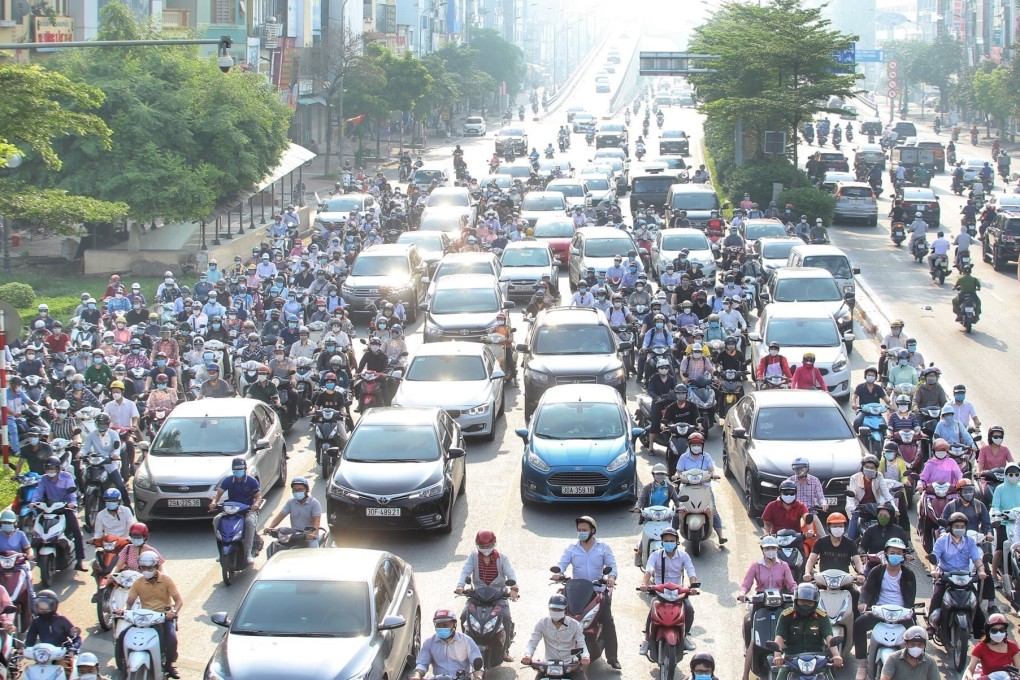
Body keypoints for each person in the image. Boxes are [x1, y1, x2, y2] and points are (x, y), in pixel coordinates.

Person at [553, 516, 620, 669]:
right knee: (558, 618)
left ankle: (612, 657)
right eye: (579, 530)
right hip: (577, 592)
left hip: (597, 592)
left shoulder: (603, 548)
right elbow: (561, 564)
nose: (581, 533)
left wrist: (611, 577)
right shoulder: (572, 548)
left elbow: (612, 566)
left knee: (608, 621)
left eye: (584, 530)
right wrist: (559, 573)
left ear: (593, 531)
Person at [854, 538, 916, 678]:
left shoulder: (909, 575)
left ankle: (913, 668)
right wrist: (863, 602)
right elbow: (867, 590)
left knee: (916, 636)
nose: (895, 555)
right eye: (892, 552)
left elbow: (910, 599)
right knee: (858, 624)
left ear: (903, 556)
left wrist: (908, 611)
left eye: (899, 553)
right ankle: (863, 664)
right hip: (879, 611)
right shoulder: (877, 571)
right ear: (886, 554)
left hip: (901, 613)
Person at [738, 536, 797, 680]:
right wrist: (742, 593)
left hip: (780, 602)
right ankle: (745, 675)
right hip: (760, 602)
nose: (770, 551)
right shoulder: (756, 566)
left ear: (777, 549)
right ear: (762, 550)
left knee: (789, 632)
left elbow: (791, 584)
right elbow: (746, 584)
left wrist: (797, 593)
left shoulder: (783, 565)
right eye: (767, 548)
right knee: (753, 637)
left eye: (773, 548)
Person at [455, 530, 519, 662]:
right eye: (482, 547)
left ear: (494, 544)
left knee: (506, 617)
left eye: (488, 546)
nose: (486, 549)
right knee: (463, 616)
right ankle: (466, 646)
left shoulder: (503, 558)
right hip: (477, 595)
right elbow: (465, 571)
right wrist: (460, 586)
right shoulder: (473, 557)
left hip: (498, 596)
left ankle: (504, 649)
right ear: (477, 545)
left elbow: (511, 574)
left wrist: (514, 588)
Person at [121, 551, 183, 678]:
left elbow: (179, 601)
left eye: (149, 567)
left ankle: (168, 665)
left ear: (156, 567)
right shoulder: (138, 583)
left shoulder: (166, 580)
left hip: (163, 616)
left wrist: (174, 612)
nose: (146, 570)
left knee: (172, 640)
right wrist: (124, 612)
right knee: (122, 636)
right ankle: (123, 666)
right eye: (143, 568)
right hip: (144, 617)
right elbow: (129, 603)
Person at [928, 512, 987, 637]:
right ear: (950, 527)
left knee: (975, 602)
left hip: (965, 577)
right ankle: (930, 627)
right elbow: (934, 558)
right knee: (937, 596)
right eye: (957, 526)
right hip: (946, 576)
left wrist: (981, 571)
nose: (960, 529)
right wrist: (934, 570)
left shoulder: (970, 541)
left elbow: (976, 559)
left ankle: (979, 631)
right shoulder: (942, 541)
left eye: (962, 526)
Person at [771, 583, 843, 678]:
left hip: (818, 661)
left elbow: (829, 638)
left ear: (815, 602)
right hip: (791, 661)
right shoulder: (786, 615)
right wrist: (777, 656)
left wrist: (836, 655)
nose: (805, 605)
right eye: (802, 601)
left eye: (809, 602)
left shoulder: (822, 616)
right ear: (796, 600)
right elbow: (779, 637)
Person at [31, 456, 88, 572]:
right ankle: (35, 555)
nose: (50, 471)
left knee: (76, 531)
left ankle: (79, 561)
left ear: (58, 468)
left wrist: (72, 503)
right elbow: (39, 492)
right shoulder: (44, 479)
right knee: (36, 530)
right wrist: (33, 502)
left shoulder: (67, 477)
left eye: (53, 468)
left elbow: (72, 493)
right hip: (49, 508)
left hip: (65, 508)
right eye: (48, 468)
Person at [675, 433, 727, 544]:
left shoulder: (706, 457)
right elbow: (678, 472)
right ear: (689, 445)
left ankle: (720, 536)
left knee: (713, 511)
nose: (696, 446)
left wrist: (713, 475)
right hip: (686, 487)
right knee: (677, 511)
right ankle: (672, 535)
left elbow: (711, 469)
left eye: (698, 444)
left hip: (704, 487)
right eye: (693, 444)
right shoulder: (684, 457)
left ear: (702, 445)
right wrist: (676, 476)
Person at [208, 458, 262, 564]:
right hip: (231, 510)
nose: (238, 472)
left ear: (245, 469)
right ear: (233, 470)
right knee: (217, 519)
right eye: (236, 470)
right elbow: (218, 494)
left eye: (240, 469)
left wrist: (255, 504)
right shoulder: (228, 480)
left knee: (249, 523)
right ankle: (221, 551)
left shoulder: (251, 481)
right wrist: (214, 502)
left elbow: (258, 496)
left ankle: (248, 553)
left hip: (247, 511)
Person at [521, 595, 590, 678]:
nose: (556, 611)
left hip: (570, 664)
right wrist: (527, 655)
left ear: (565, 609)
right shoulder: (542, 623)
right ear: (549, 609)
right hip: (547, 664)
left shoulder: (575, 625)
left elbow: (581, 644)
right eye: (553, 609)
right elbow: (532, 642)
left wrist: (585, 657)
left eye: (559, 609)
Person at [411, 609, 484, 680]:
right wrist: (417, 675)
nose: (441, 628)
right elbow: (422, 664)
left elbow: (476, 663)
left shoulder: (467, 641)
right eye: (438, 626)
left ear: (454, 625)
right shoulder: (429, 643)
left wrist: (478, 677)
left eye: (445, 625)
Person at [79, 412, 132, 510]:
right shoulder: (92, 434)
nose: (101, 426)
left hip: (109, 462)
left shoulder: (113, 434)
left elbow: (117, 447)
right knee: (84, 475)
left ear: (107, 424)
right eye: (99, 424)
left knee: (120, 485)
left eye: (103, 424)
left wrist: (115, 454)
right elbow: (85, 447)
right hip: (96, 461)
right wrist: (81, 454)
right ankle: (85, 497)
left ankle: (127, 504)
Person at [25, 590, 81, 668]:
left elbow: (77, 638)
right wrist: (24, 648)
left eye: (45, 605)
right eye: (40, 605)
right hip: (44, 656)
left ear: (54, 605)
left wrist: (73, 648)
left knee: (68, 673)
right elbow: (29, 640)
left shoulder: (61, 620)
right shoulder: (36, 621)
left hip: (62, 656)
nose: (42, 608)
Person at [263, 477, 322, 548]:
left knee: (313, 550)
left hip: (309, 537)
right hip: (295, 535)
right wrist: (270, 527)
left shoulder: (314, 503)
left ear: (306, 490)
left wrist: (313, 534)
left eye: (300, 489)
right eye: (295, 490)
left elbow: (317, 521)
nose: (297, 492)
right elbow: (280, 516)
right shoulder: (290, 503)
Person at [847, 455, 895, 540]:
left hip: (875, 509)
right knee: (851, 538)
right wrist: (852, 508)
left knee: (891, 530)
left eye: (872, 467)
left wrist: (894, 507)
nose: (869, 469)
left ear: (876, 469)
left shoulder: (879, 476)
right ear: (862, 467)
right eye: (867, 467)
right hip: (859, 509)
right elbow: (851, 496)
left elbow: (886, 492)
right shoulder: (854, 478)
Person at [966, 613, 1020, 679]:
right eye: (994, 630)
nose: (998, 633)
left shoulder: (1012, 646)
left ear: (1005, 631)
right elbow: (970, 670)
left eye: (1001, 630)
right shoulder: (981, 647)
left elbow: (1018, 670)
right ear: (988, 632)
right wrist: (970, 677)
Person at [852, 367, 890, 434]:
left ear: (875, 377)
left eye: (873, 375)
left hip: (876, 412)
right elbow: (854, 397)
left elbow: (885, 398)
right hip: (863, 411)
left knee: (885, 427)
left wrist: (889, 404)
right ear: (865, 376)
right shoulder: (860, 387)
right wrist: (854, 404)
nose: (870, 377)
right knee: (856, 422)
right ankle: (858, 438)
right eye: (869, 375)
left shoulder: (878, 388)